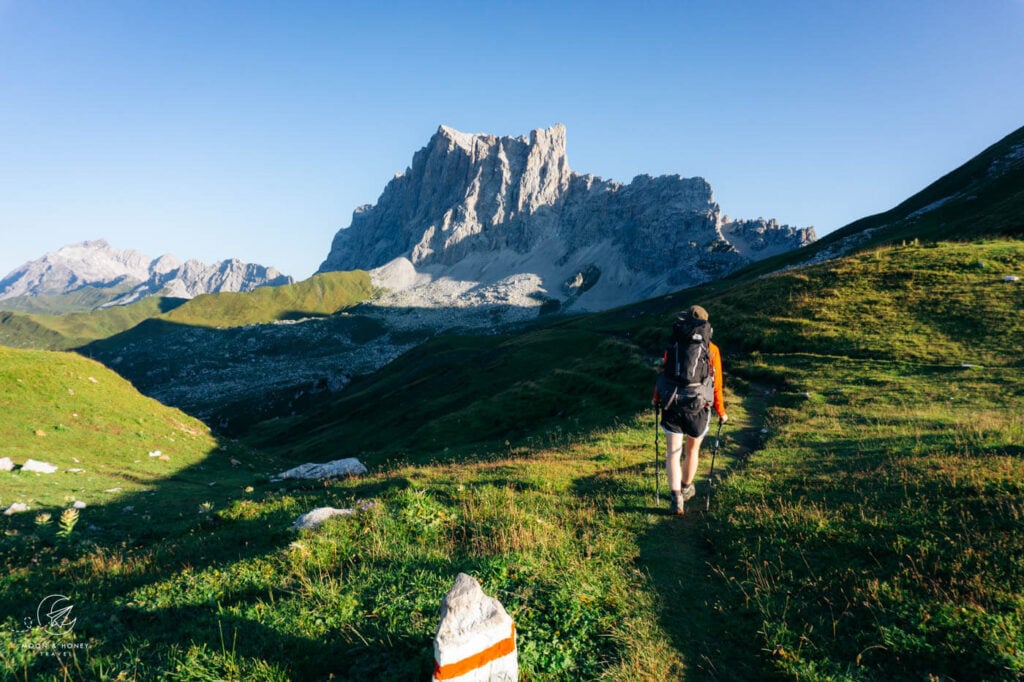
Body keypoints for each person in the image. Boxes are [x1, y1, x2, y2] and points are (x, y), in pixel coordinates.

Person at [654, 305, 728, 515]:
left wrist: (656, 398)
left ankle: (676, 498)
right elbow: (717, 384)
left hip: (673, 403)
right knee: (691, 450)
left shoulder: (673, 345)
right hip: (699, 407)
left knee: (672, 453)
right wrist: (721, 411)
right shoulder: (712, 350)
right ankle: (686, 487)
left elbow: (663, 375)